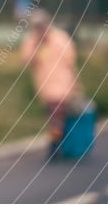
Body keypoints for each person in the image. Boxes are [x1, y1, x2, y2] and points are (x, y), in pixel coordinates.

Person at [19, 9, 82, 160]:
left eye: (42, 25)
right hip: (46, 87)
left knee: (56, 117)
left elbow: (70, 59)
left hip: (63, 84)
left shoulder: (59, 39)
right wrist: (37, 44)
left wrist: (76, 83)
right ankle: (59, 143)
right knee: (56, 118)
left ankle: (54, 145)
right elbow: (27, 60)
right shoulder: (32, 42)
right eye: (36, 26)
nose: (40, 29)